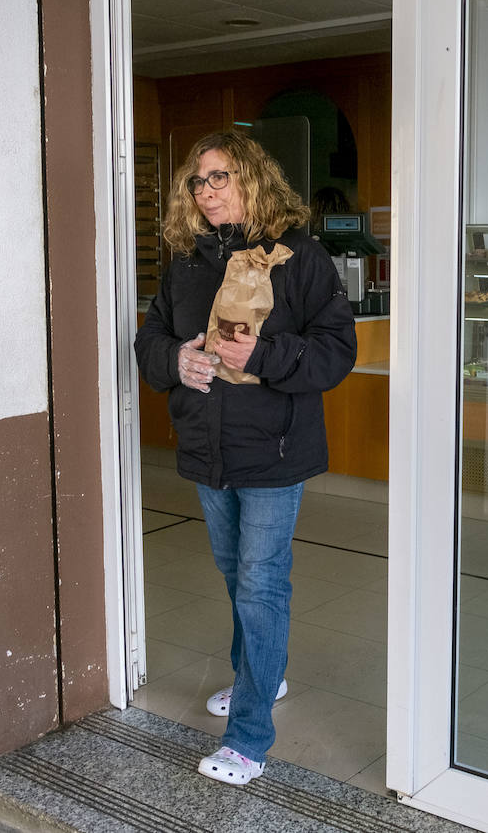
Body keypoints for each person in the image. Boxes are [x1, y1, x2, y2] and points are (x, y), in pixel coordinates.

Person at [134, 130, 358, 786]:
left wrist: (260, 357)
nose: (206, 191)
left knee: (261, 586)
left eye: (219, 176)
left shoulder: (301, 258)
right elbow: (150, 337)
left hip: (274, 451)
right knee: (238, 576)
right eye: (197, 182)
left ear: (254, 178)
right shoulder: (187, 263)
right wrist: (176, 358)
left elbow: (337, 352)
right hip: (207, 448)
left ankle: (249, 739)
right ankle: (262, 672)